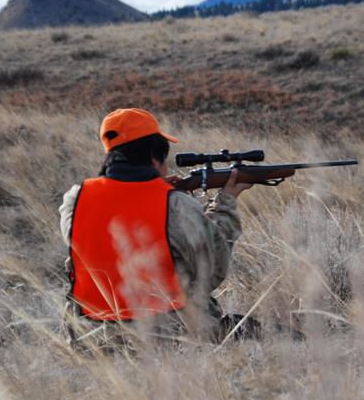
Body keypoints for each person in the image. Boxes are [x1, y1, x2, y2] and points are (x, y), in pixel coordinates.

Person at [58, 108, 252, 352]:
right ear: (154, 156)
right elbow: (211, 271)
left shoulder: (75, 199)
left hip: (90, 340)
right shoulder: (176, 205)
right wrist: (226, 202)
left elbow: (114, 225)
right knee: (265, 332)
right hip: (170, 340)